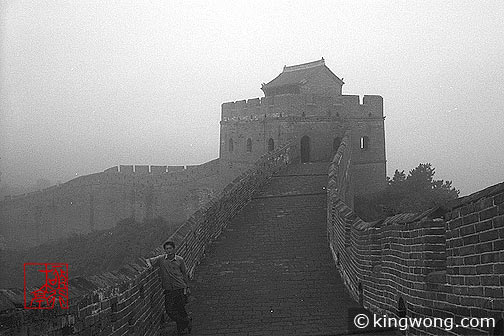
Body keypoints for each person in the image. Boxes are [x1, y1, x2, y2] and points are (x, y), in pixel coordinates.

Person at [146, 241, 192, 335]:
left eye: (170, 248)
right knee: (169, 310)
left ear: (174, 249)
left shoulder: (180, 260)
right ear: (165, 250)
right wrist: (150, 265)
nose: (169, 251)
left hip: (179, 287)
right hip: (169, 289)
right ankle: (186, 321)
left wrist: (187, 287)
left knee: (180, 308)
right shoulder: (161, 259)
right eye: (167, 249)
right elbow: (148, 260)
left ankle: (182, 329)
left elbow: (184, 273)